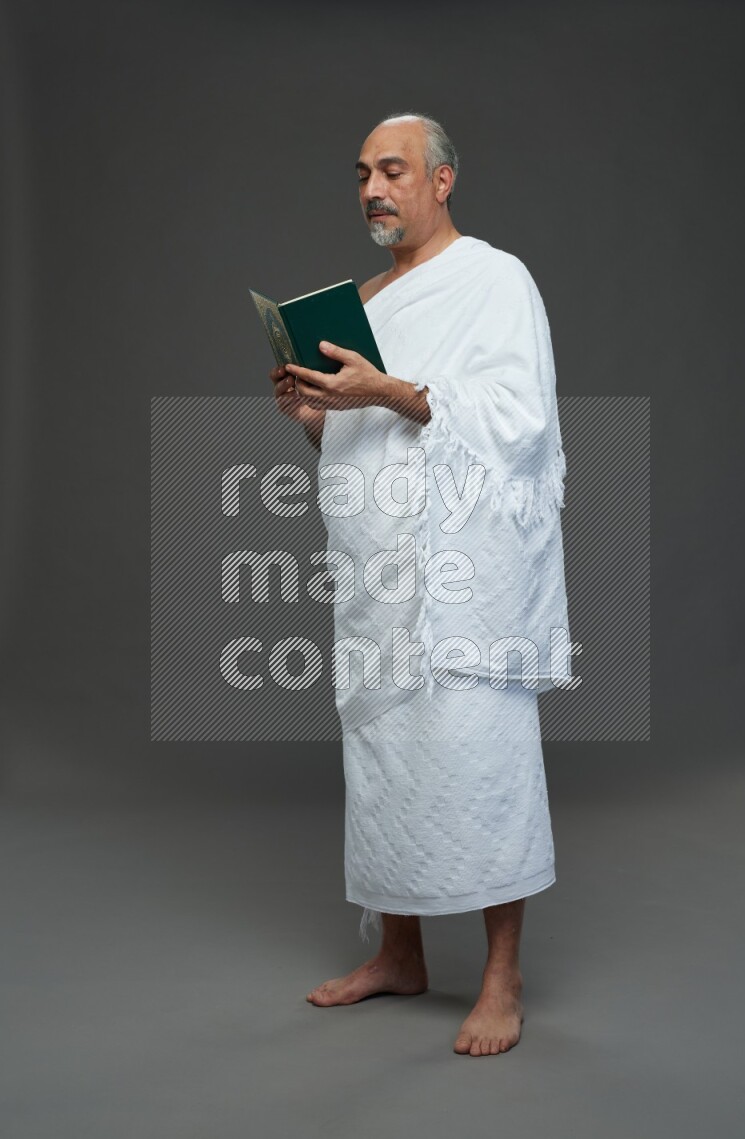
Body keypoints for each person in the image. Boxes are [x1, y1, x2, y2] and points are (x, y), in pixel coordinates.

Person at [268, 112, 575, 1057]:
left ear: (442, 181)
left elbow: (519, 418)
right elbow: (361, 442)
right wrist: (314, 412)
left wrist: (386, 390)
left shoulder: (495, 278)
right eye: (363, 173)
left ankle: (501, 977)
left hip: (466, 579)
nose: (373, 189)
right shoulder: (365, 300)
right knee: (386, 764)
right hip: (378, 574)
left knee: (482, 760)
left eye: (393, 170)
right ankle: (398, 954)